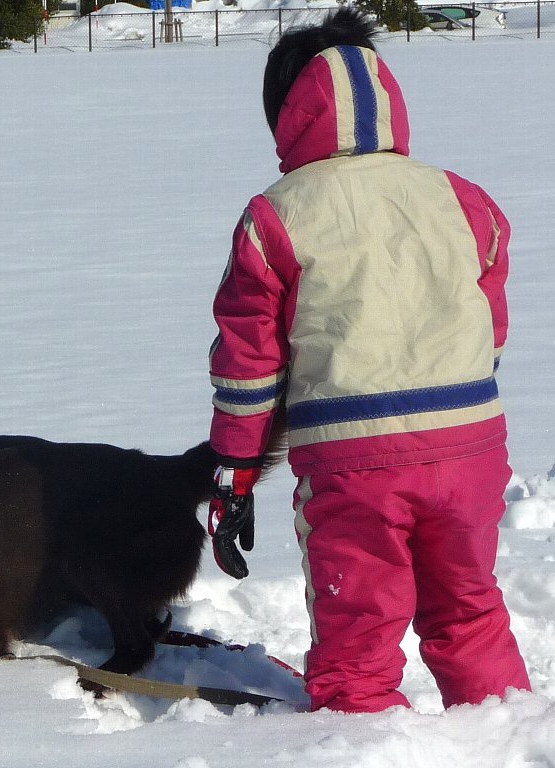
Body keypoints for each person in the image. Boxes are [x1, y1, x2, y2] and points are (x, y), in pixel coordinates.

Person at [206, 7, 531, 713]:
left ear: (287, 112)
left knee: (356, 637)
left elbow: (248, 367)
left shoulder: (276, 215)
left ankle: (362, 746)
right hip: (470, 447)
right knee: (469, 611)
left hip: (355, 460)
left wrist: (235, 474)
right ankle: (510, 735)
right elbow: (489, 331)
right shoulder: (464, 199)